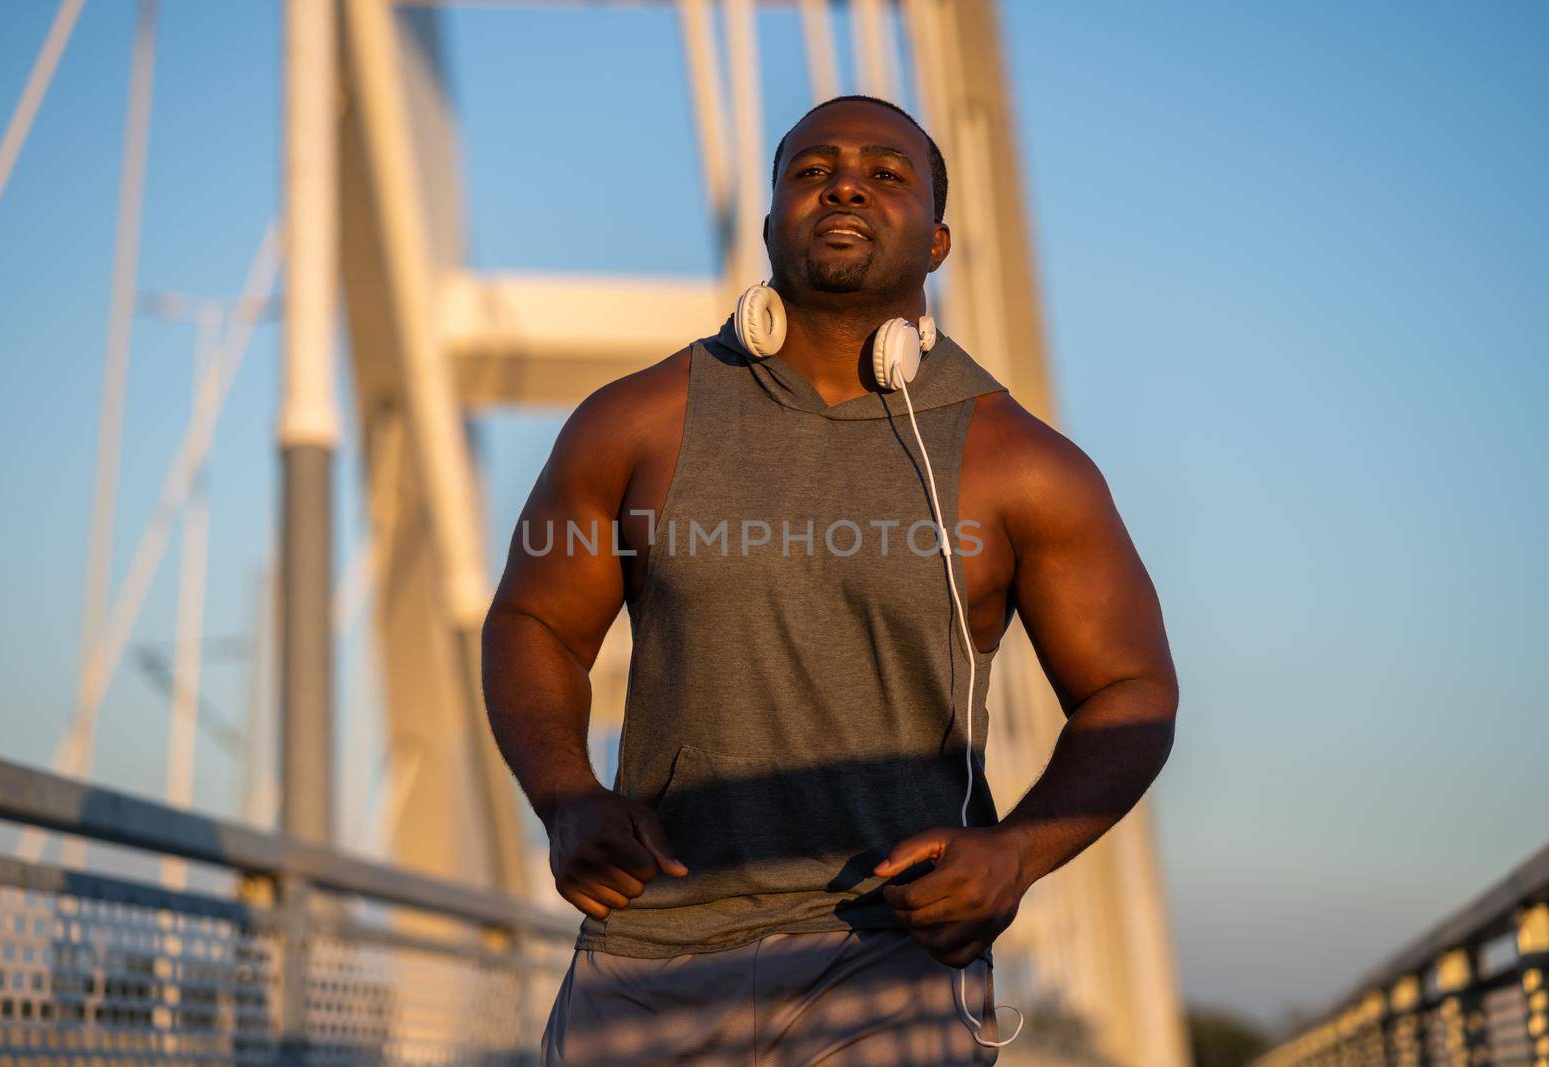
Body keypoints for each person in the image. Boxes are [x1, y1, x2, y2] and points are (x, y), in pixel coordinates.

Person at [480, 94, 1179, 1065]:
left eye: (885, 172)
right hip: (647, 953)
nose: (844, 182)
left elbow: (1131, 689)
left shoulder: (1020, 465)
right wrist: (565, 793)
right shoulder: (635, 424)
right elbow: (532, 621)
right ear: (768, 224)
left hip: (890, 962)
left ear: (937, 242)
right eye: (811, 170)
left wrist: (1017, 850)